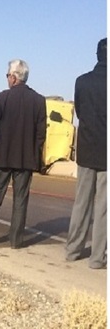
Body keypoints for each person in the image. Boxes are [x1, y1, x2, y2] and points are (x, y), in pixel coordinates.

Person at [0, 59, 47, 249]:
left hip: (2, 157)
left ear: (14, 77)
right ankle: (16, 240)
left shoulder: (1, 98)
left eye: (8, 75)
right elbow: (41, 134)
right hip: (26, 159)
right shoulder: (39, 101)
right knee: (20, 200)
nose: (7, 78)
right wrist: (36, 154)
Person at [65, 38, 107, 269]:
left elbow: (79, 112)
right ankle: (97, 258)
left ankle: (73, 250)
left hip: (87, 149)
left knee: (81, 203)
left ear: (96, 55)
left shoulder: (82, 81)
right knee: (103, 208)